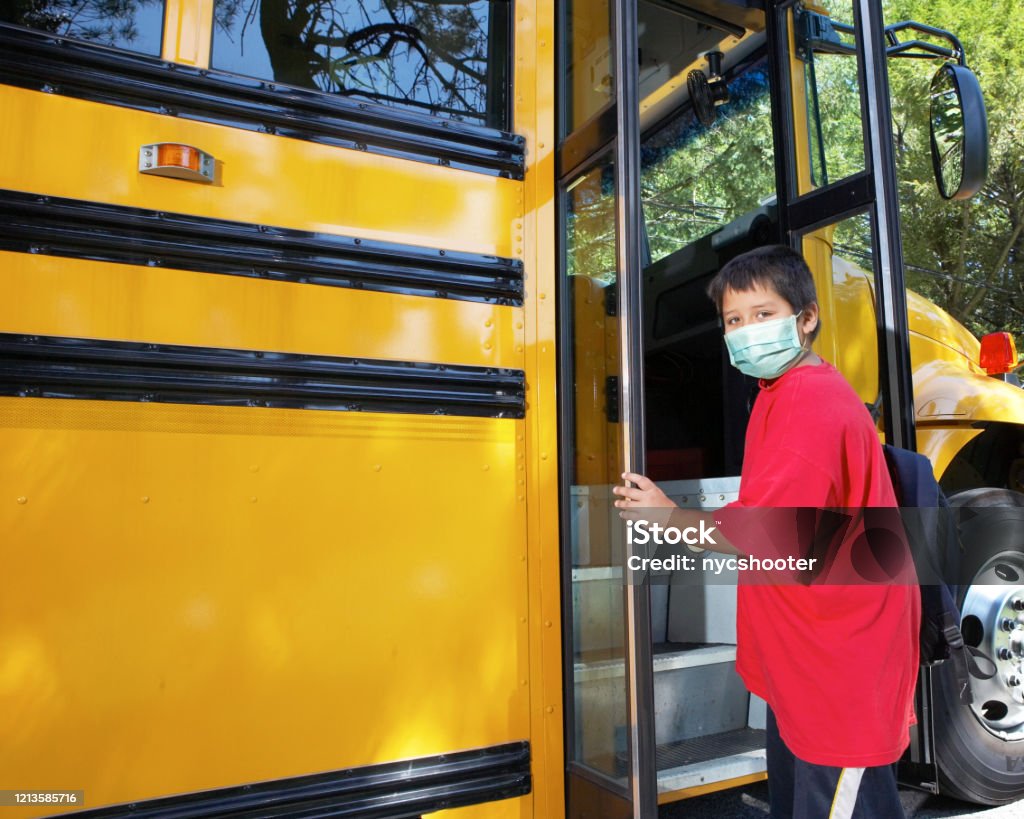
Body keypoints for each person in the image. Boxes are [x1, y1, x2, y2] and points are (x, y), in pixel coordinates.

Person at [612, 245, 920, 819]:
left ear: (806, 319)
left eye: (763, 314)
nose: (746, 331)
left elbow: (771, 533)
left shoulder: (810, 404)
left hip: (838, 674)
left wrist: (669, 518)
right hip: (808, 663)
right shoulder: (779, 395)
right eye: (734, 320)